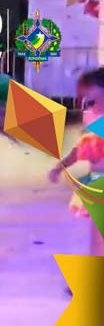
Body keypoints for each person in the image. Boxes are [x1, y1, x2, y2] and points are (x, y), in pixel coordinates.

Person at [49, 67, 104, 259]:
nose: (86, 111)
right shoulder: (93, 139)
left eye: (91, 103)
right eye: (83, 104)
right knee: (98, 238)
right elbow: (76, 153)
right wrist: (59, 167)